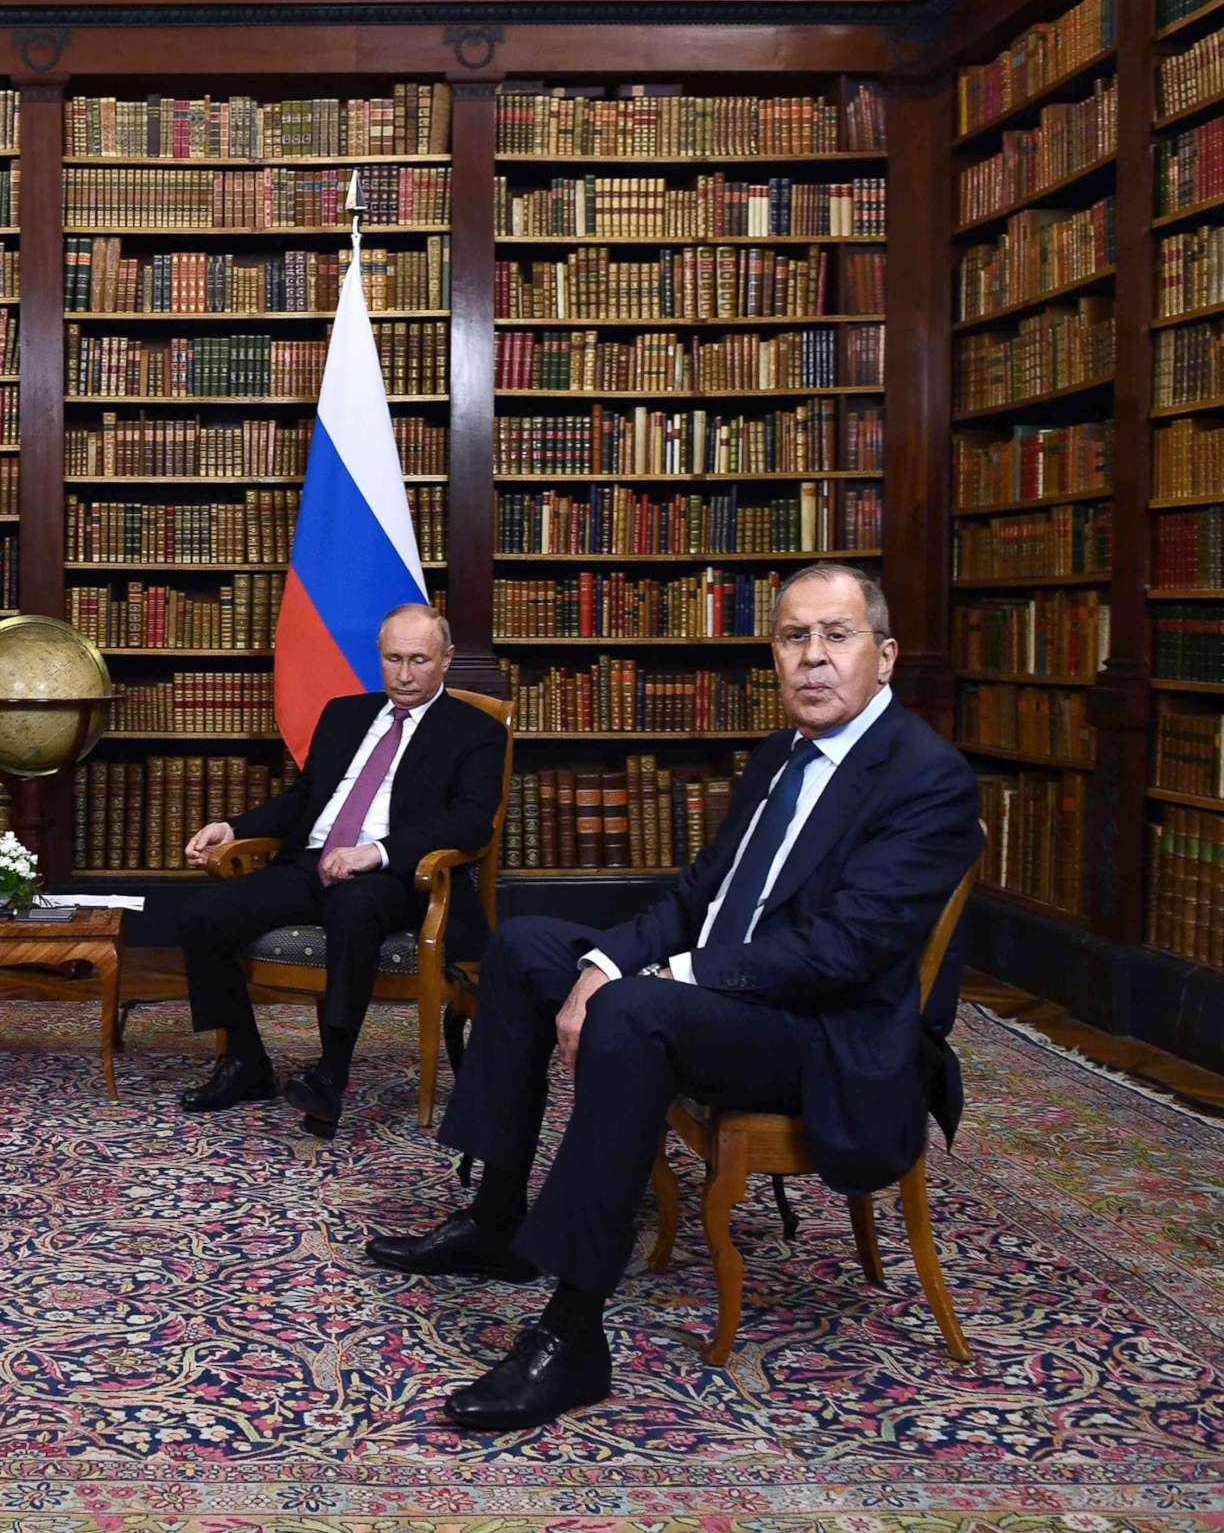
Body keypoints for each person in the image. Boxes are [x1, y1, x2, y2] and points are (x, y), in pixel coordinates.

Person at [365, 562, 983, 1430]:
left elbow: (841, 954)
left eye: (835, 637)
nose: (811, 659)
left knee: (634, 1011)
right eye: (792, 637)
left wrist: (655, 981)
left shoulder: (926, 779)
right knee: (528, 945)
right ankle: (496, 1219)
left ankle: (574, 1335)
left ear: (883, 658)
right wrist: (607, 964)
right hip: (732, 997)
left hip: (820, 1035)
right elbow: (699, 896)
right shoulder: (782, 754)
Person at [175, 603, 507, 1136]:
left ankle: (330, 1074)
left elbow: (471, 824)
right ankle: (245, 1062)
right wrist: (232, 826)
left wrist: (375, 852)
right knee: (203, 913)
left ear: (446, 660)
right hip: (313, 863)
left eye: (418, 660)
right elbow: (304, 799)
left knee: (354, 905)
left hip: (399, 878)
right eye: (393, 658)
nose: (403, 675)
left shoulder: (476, 731)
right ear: (378, 655)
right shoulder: (345, 714)